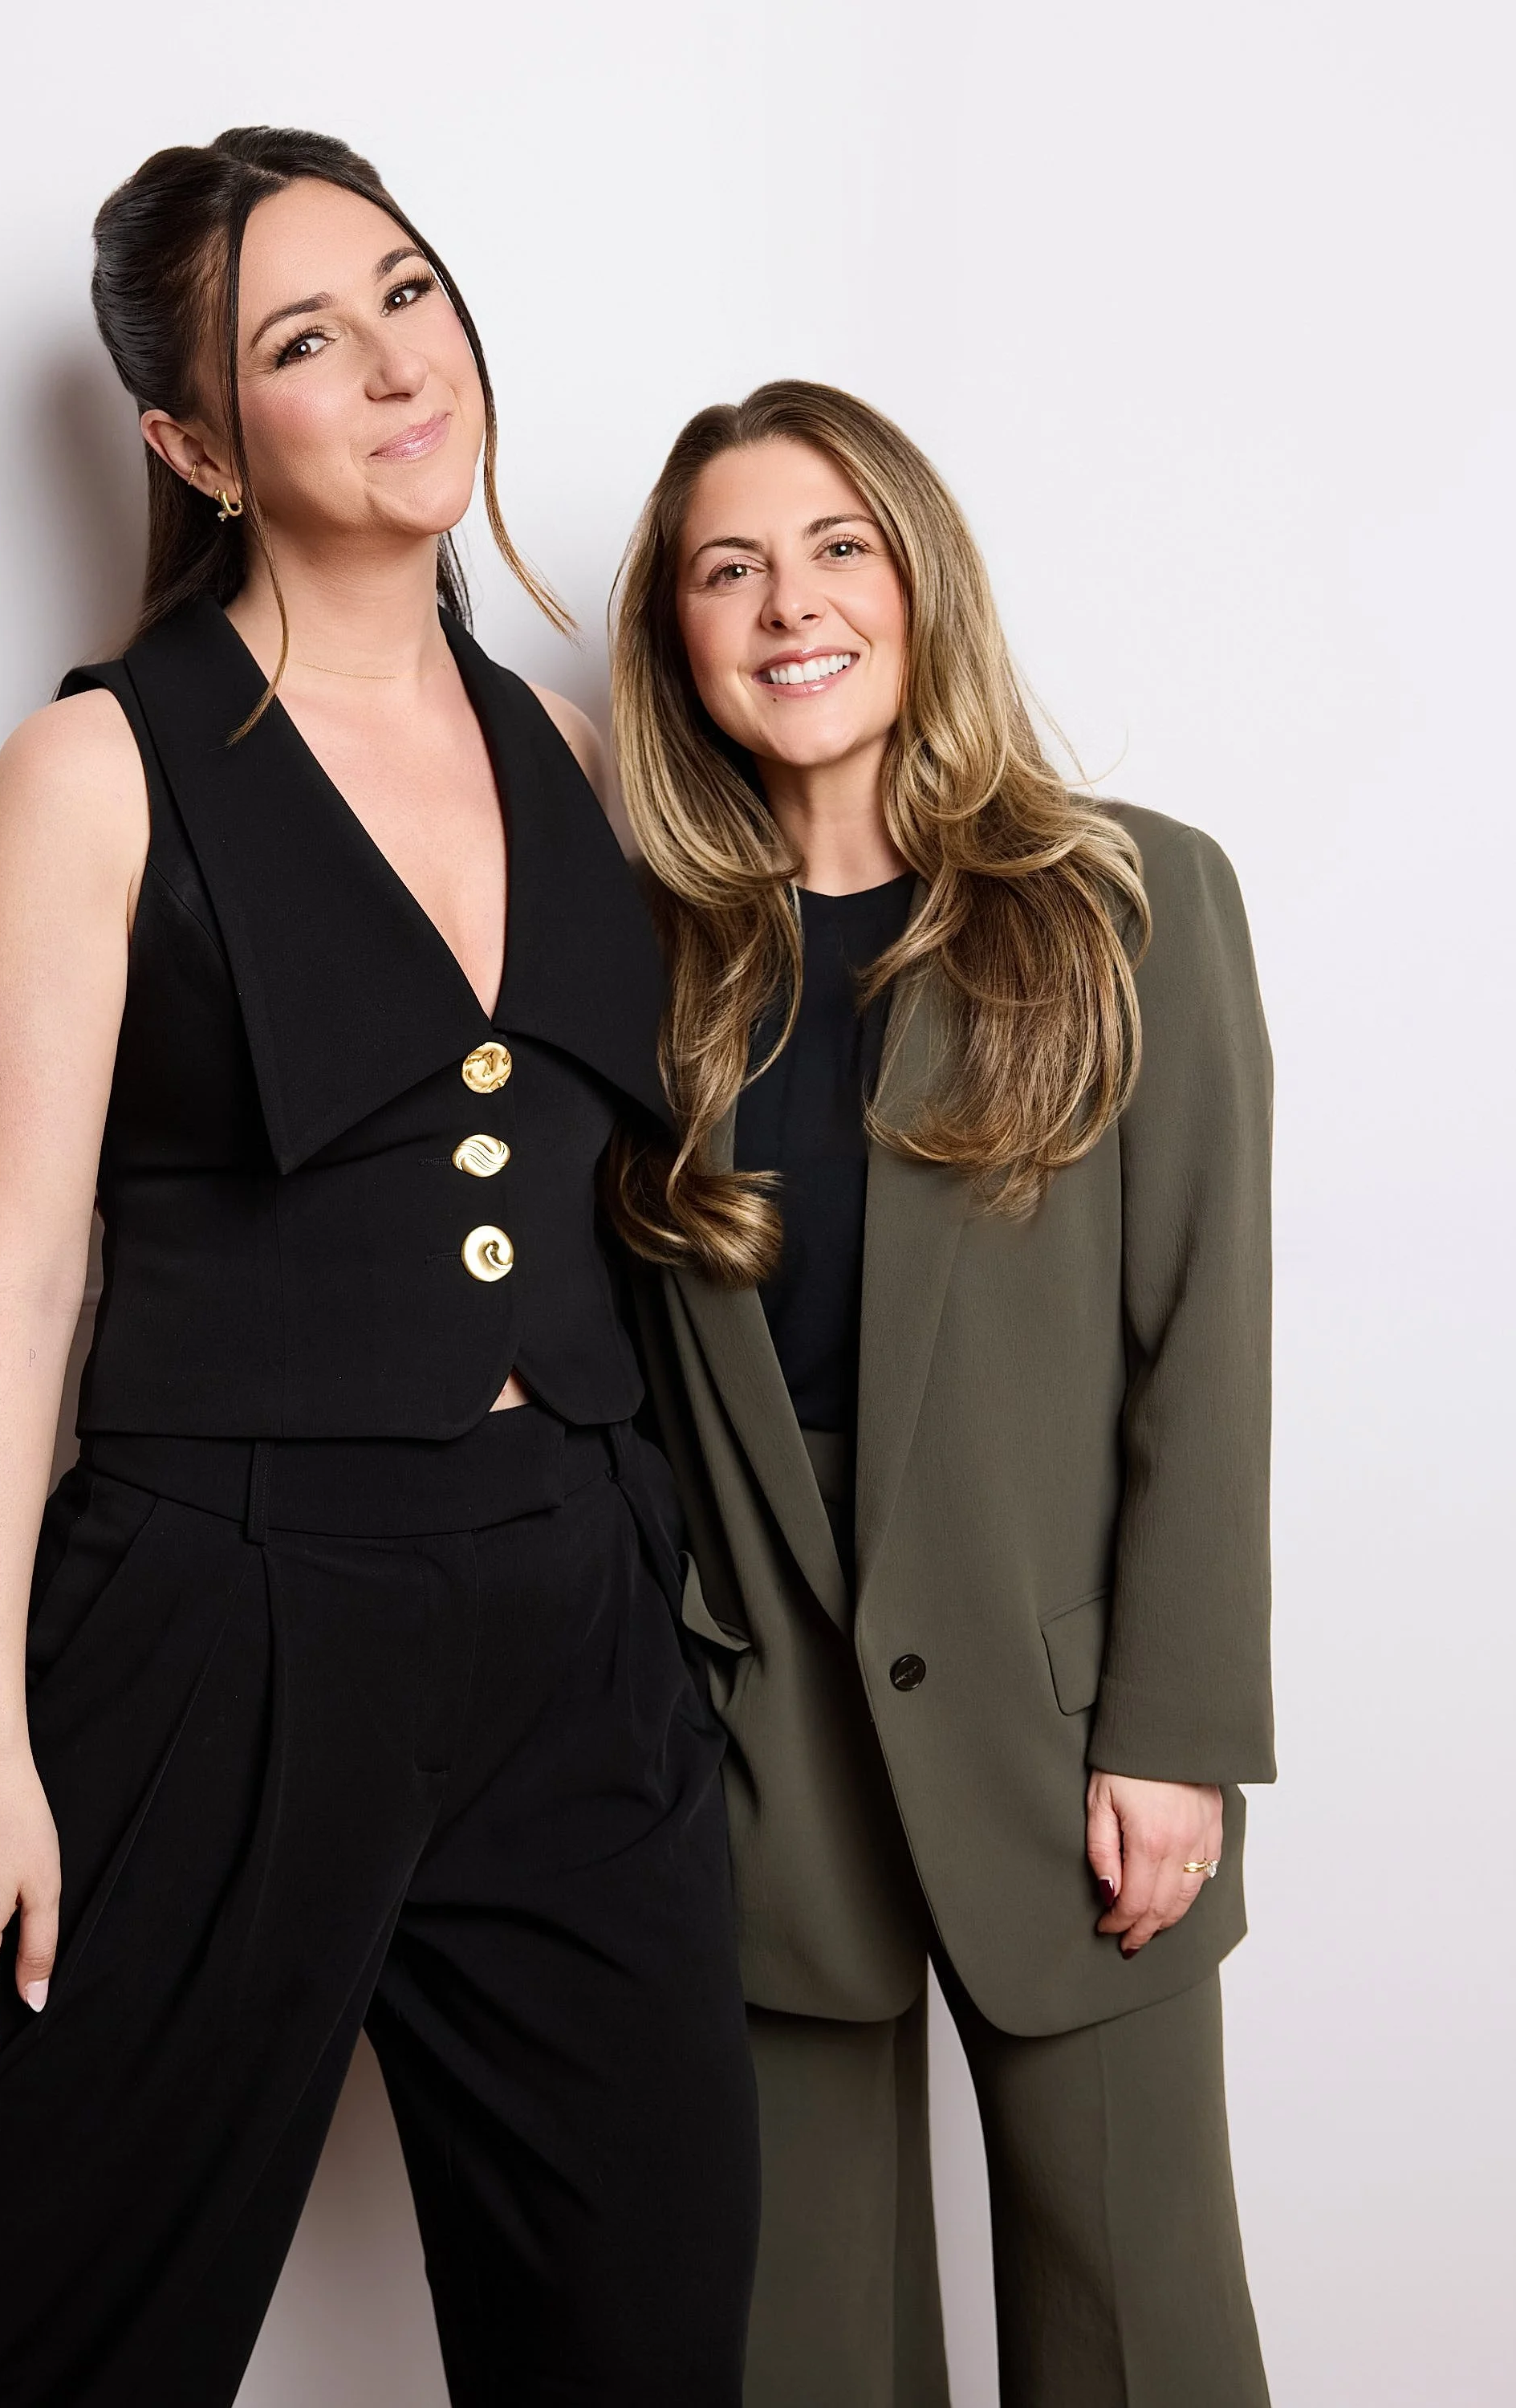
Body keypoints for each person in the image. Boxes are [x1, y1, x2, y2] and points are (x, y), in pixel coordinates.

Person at [0, 127, 758, 2408]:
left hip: (580, 1616)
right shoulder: (95, 770)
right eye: (306, 340)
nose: (399, 363)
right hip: (226, 1615)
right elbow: (13, 1300)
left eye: (408, 290)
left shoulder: (571, 750)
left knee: (645, 2332)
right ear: (195, 446)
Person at [609, 380, 1274, 2408]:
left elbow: (1206, 1344)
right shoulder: (634, 966)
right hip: (756, 1749)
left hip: (1070, 1737)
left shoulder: (1134, 900)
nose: (790, 605)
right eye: (729, 569)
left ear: (921, 582)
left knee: (1145, 2334)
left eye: (840, 549)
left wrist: (1174, 1735)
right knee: (795, 2350)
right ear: (674, 637)